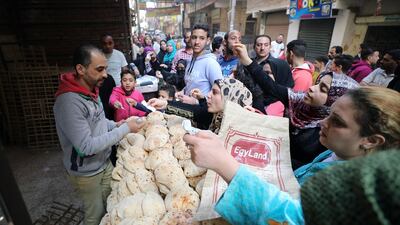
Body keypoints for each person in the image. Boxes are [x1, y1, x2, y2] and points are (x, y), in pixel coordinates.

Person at [183, 86, 400, 225]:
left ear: (371, 140)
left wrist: (225, 164)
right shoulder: (338, 153)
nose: (323, 123)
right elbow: (294, 171)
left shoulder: (363, 192)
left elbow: (295, 218)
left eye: (338, 122)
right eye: (329, 114)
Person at [53, 45, 144, 225]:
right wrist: (125, 129)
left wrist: (116, 124)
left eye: (106, 69)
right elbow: (86, 147)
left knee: (111, 209)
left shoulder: (90, 90)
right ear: (81, 69)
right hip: (87, 173)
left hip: (104, 163)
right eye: (99, 69)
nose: (105, 75)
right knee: (95, 216)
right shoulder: (69, 102)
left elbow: (98, 121)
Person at [234, 43, 359, 168]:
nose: (311, 88)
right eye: (317, 84)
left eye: (323, 89)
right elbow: (271, 86)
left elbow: (311, 166)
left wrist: (278, 162)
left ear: (335, 99)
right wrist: (247, 60)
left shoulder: (330, 130)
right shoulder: (299, 102)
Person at [149, 78, 252, 132]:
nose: (208, 95)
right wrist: (165, 104)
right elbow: (196, 112)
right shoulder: (215, 118)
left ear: (229, 98)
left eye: (215, 92)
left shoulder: (243, 127)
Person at [178, 24, 223, 104]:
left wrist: (196, 102)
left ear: (208, 41)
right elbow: (190, 84)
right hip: (189, 111)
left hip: (203, 113)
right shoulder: (190, 61)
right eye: (194, 37)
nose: (197, 42)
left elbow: (220, 94)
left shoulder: (211, 64)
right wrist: (182, 91)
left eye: (202, 38)